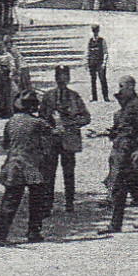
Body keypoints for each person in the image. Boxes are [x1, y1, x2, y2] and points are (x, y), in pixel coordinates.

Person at [0, 90, 54, 244]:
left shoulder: (11, 122)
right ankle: (33, 232)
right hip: (33, 166)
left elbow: (5, 144)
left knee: (9, 201)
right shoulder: (38, 123)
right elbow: (53, 138)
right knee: (36, 201)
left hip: (13, 165)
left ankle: (1, 236)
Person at [103, 75, 138, 233]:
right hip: (123, 150)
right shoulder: (127, 105)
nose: (120, 89)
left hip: (129, 153)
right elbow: (122, 128)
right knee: (135, 188)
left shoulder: (137, 105)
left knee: (120, 187)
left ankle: (115, 225)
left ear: (131, 86)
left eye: (122, 86)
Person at [40, 65, 92, 214]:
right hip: (51, 140)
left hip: (69, 140)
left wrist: (70, 123)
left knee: (69, 173)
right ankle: (47, 205)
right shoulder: (48, 96)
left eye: (65, 77)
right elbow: (41, 117)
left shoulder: (75, 97)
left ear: (68, 79)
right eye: (59, 77)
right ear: (55, 78)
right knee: (49, 174)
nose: (62, 80)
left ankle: (69, 203)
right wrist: (50, 126)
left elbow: (86, 118)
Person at [86, 24, 110, 102]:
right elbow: (88, 52)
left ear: (98, 31)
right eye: (93, 31)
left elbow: (105, 52)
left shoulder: (102, 41)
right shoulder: (90, 41)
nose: (95, 33)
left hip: (100, 63)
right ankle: (94, 97)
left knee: (102, 80)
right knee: (93, 80)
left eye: (96, 31)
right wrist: (87, 62)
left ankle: (105, 97)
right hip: (92, 63)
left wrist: (104, 63)